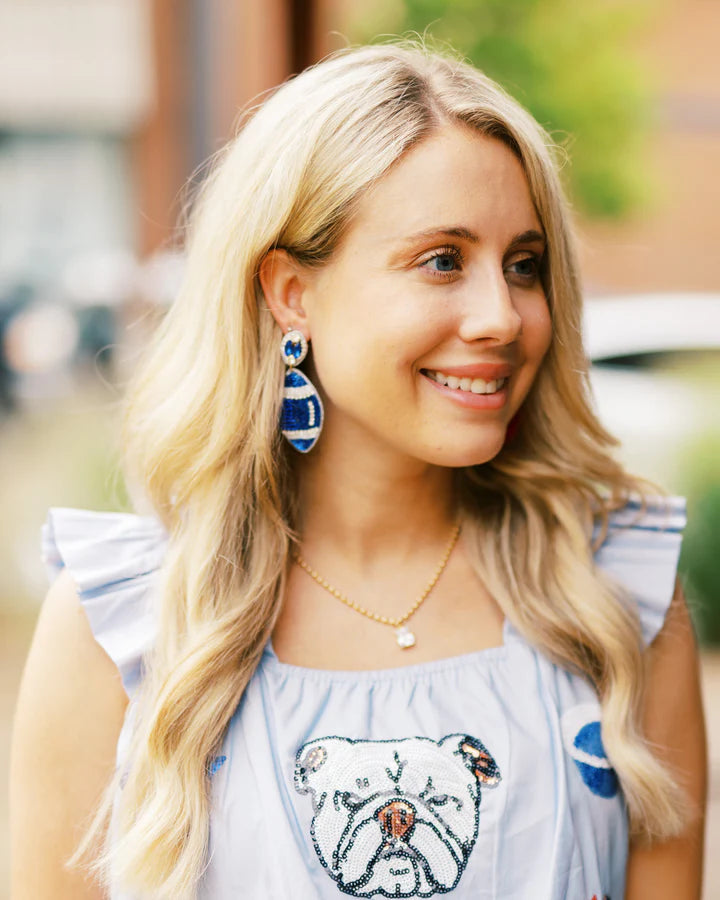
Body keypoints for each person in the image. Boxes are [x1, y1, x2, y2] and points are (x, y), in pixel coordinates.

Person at [9, 41, 707, 900]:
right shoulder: (121, 622)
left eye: (523, 265)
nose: (503, 316)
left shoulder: (614, 595)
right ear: (291, 294)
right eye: (442, 260)